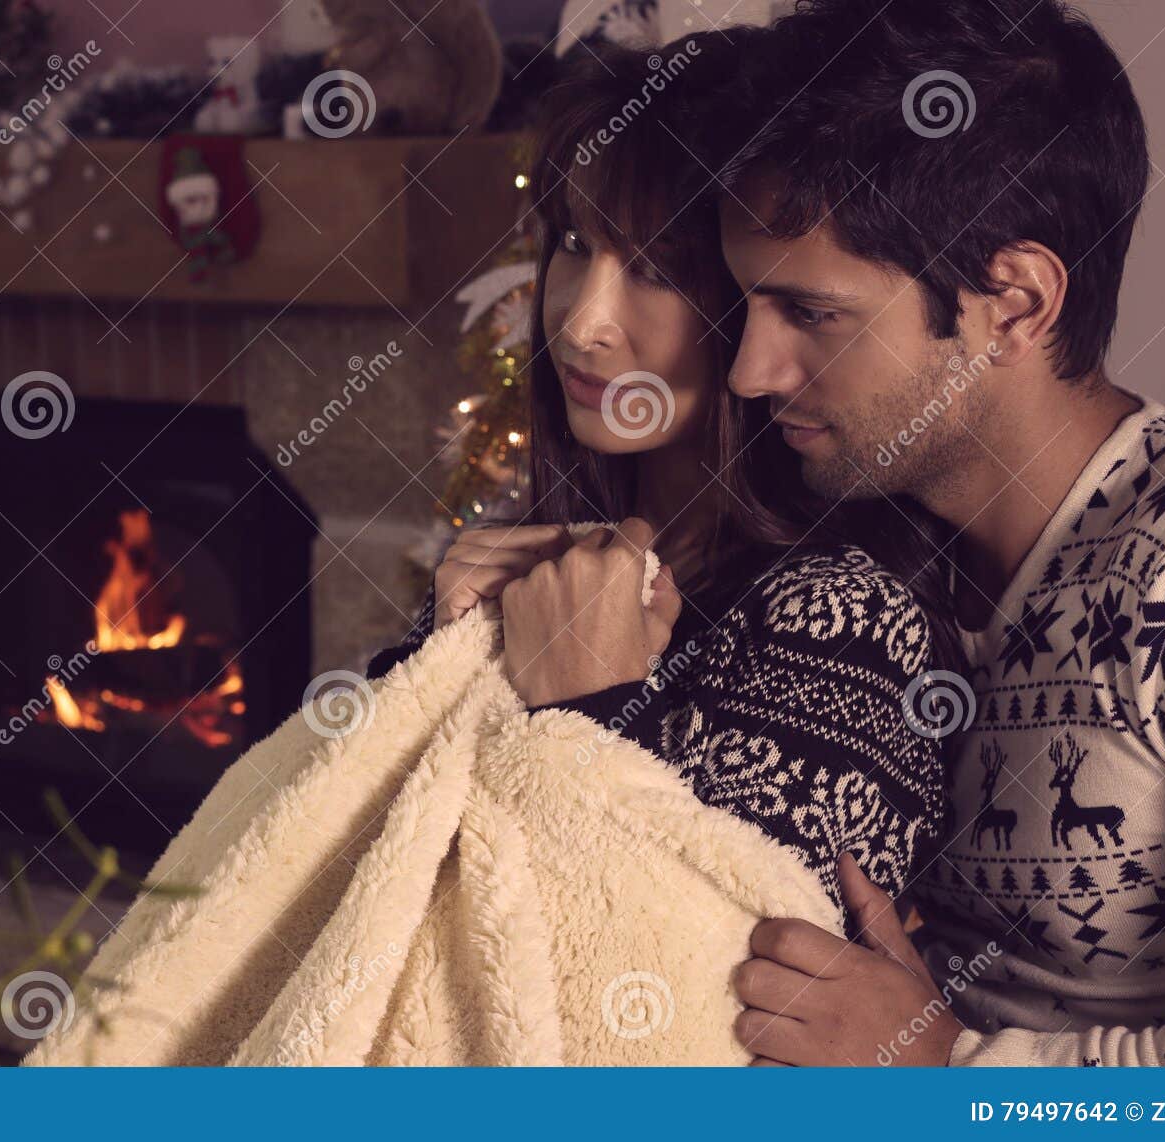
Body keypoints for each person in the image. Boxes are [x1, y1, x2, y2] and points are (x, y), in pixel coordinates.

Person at [706, 0, 1165, 1066]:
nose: (750, 371)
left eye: (813, 314)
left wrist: (949, 1077)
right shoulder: (855, 544)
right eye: (746, 306)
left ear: (1013, 306)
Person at [367, 43, 959, 914]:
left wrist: (584, 707)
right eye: (573, 244)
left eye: (655, 269)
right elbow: (351, 869)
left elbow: (704, 996)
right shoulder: (535, 554)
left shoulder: (846, 621)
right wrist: (428, 663)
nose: (580, 324)